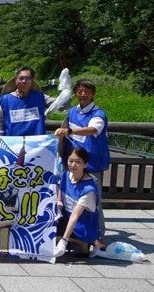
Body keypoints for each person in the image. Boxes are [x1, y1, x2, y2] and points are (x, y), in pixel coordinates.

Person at [54, 79, 109, 248]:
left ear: (93, 94)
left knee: (93, 202)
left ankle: (98, 236)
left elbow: (92, 130)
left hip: (91, 165)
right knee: (69, 199)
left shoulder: (98, 114)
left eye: (87, 92)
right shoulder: (72, 112)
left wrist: (70, 130)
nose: (83, 95)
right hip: (72, 162)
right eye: (79, 91)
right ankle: (73, 233)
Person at [54, 146, 100, 258]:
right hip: (65, 219)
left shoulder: (88, 189)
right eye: (71, 161)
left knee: (50, 236)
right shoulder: (66, 175)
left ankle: (83, 243)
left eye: (78, 162)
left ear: (85, 164)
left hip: (81, 225)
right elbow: (60, 197)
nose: (73, 164)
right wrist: (58, 205)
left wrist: (64, 240)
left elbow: (75, 215)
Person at [0, 65, 57, 136]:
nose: (24, 81)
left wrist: (65, 94)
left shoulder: (40, 97)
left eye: (27, 78)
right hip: (13, 141)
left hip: (37, 141)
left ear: (31, 81)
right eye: (21, 78)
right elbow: (0, 126)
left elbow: (60, 104)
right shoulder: (5, 100)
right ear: (16, 80)